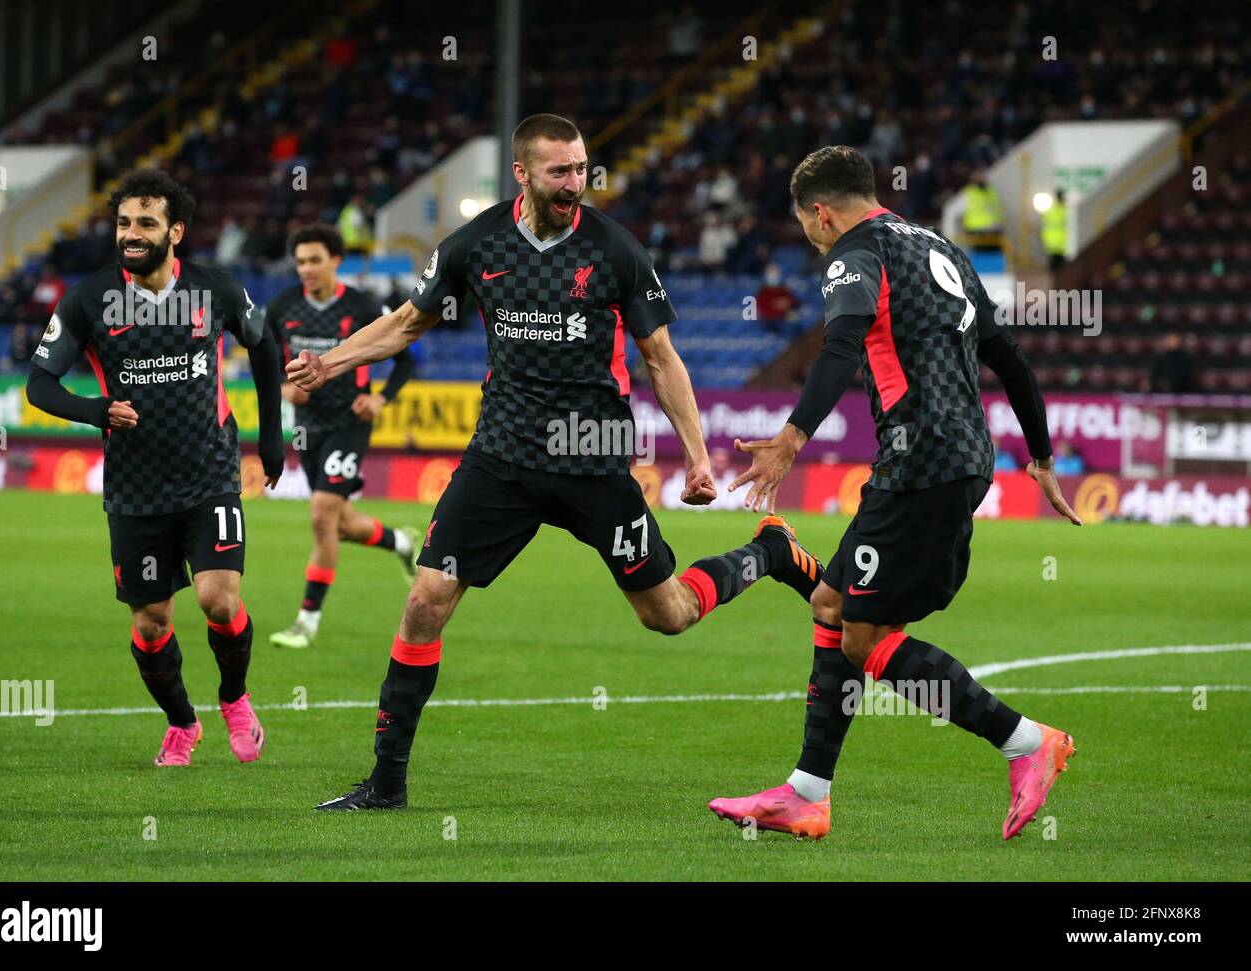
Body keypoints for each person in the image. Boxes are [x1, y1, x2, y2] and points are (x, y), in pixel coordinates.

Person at [287, 114, 824, 812]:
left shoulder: (614, 250)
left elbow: (660, 358)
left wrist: (696, 457)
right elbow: (406, 323)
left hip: (594, 458)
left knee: (666, 614)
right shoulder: (477, 243)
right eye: (560, 171)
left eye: (581, 169)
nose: (576, 183)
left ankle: (768, 550)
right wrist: (329, 362)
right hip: (501, 458)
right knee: (424, 601)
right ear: (523, 174)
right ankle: (386, 783)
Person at [714, 146, 1082, 841]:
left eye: (806, 225)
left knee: (864, 635)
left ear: (821, 212)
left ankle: (1027, 741)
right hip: (951, 457)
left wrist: (792, 437)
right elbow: (1010, 357)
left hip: (923, 462)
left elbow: (843, 343)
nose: (812, 236)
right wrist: (1039, 455)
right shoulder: (940, 246)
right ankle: (806, 792)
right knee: (831, 602)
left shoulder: (854, 252)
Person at [24, 170, 285, 767]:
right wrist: (96, 411)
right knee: (150, 622)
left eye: (145, 223)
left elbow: (264, 345)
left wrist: (271, 437)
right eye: (123, 224)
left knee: (218, 598)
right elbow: (40, 384)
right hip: (136, 487)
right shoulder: (87, 299)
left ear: (176, 231)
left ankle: (235, 699)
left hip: (211, 472)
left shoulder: (215, 288)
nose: (132, 234)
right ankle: (181, 723)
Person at [266, 224, 418, 651]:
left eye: (315, 259)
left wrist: (381, 399)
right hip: (306, 427)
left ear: (336, 261)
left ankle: (306, 622)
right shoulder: (283, 307)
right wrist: (283, 386)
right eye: (300, 261)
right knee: (341, 523)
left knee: (320, 517)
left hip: (350, 424)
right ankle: (401, 541)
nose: (306, 269)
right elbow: (267, 361)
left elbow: (406, 362)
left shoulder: (363, 306)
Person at [1042, 189, 1069, 271]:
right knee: (1062, 267)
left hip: (1050, 242)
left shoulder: (1050, 210)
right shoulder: (1066, 211)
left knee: (1053, 266)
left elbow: (1045, 225)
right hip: (1062, 243)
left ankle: (1051, 282)